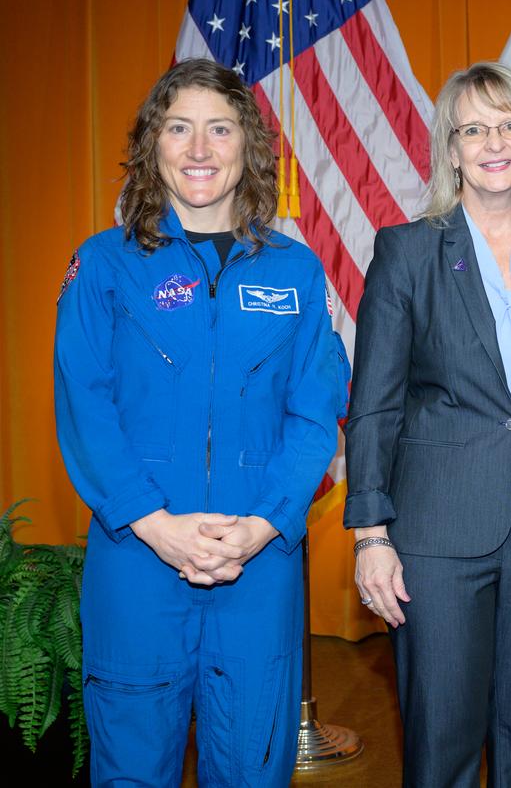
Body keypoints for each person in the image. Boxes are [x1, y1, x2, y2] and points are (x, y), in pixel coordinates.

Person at [54, 58, 350, 786]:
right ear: (152, 144)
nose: (199, 149)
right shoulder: (102, 266)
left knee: (253, 765)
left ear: (248, 147)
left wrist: (261, 525)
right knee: (131, 768)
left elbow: (316, 414)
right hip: (138, 560)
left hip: (259, 562)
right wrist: (157, 524)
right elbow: (84, 407)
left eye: (219, 129)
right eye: (179, 128)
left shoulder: (296, 272)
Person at [343, 62, 511, 788]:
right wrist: (371, 534)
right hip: (434, 534)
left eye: (508, 125)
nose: (492, 142)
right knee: (441, 742)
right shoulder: (407, 252)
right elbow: (374, 403)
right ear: (452, 150)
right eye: (473, 129)